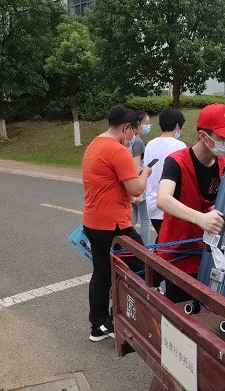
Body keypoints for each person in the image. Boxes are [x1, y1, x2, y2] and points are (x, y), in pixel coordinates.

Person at [156, 103, 225, 300]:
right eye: (224, 138)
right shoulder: (176, 161)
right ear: (203, 136)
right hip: (179, 252)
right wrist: (200, 218)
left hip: (210, 254)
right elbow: (163, 199)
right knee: (180, 311)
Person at [82, 104, 151, 341]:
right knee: (146, 267)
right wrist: (146, 173)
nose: (132, 138)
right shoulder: (117, 150)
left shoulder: (94, 144)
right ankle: (120, 320)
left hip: (93, 222)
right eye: (134, 133)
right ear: (126, 127)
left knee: (101, 273)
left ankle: (98, 326)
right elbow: (136, 189)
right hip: (114, 226)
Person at [143, 107, 187, 242]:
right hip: (170, 203)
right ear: (177, 126)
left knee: (162, 238)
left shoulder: (150, 145)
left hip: (152, 201)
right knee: (167, 241)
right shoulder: (180, 146)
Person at [128, 110, 151, 244]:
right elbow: (136, 168)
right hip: (138, 184)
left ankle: (126, 245)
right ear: (139, 124)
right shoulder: (137, 142)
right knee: (145, 218)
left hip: (130, 184)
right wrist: (138, 193)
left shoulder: (129, 141)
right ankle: (144, 248)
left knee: (131, 219)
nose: (148, 126)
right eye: (145, 123)